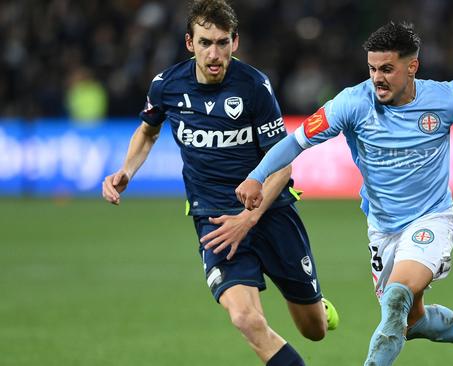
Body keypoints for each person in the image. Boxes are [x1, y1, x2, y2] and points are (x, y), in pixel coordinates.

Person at [236, 21, 453, 366]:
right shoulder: (352, 103)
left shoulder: (446, 98)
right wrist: (257, 175)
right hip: (383, 229)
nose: (377, 78)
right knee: (410, 321)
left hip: (432, 218)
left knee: (396, 299)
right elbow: (296, 140)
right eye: (372, 69)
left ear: (412, 66)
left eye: (387, 68)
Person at [101, 1, 338, 365]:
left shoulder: (254, 86)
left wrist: (248, 219)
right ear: (189, 43)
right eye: (206, 42)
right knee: (246, 318)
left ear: (235, 43)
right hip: (213, 219)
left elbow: (282, 167)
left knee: (315, 330)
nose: (214, 53)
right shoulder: (166, 86)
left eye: (222, 43)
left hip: (270, 213)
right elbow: (148, 132)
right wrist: (127, 171)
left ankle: (316, 303)